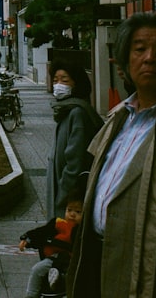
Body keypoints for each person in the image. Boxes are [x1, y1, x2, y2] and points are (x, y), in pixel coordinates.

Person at [67, 12, 156, 297]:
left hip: (143, 268)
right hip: (94, 256)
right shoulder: (118, 118)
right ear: (125, 61)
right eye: (139, 49)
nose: (150, 58)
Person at [46, 59, 103, 219]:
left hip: (69, 202)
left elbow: (74, 163)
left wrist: (63, 196)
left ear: (77, 83)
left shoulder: (77, 113)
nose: (58, 85)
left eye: (64, 80)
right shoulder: (67, 110)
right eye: (55, 80)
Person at [20, 188, 84, 298]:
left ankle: (58, 278)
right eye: (69, 210)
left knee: (71, 274)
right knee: (37, 269)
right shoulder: (58, 223)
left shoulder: (81, 230)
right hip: (53, 258)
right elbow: (42, 232)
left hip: (71, 261)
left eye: (78, 212)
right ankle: (31, 295)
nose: (72, 214)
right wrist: (27, 238)